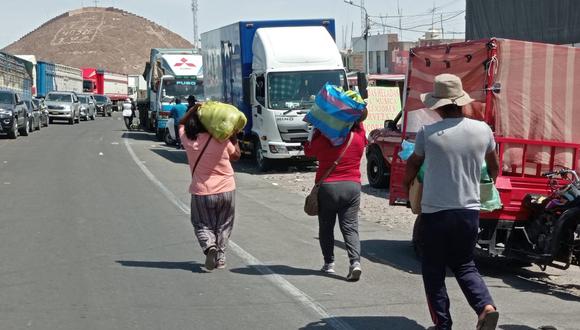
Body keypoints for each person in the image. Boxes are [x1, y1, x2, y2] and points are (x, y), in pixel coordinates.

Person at [403, 74, 500, 330]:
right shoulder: (483, 130)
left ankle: (442, 325)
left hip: (436, 213)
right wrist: (490, 184)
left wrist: (407, 186)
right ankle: (485, 307)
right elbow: (493, 166)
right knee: (465, 264)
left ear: (438, 105)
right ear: (461, 102)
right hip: (469, 211)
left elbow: (413, 163)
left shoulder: (428, 133)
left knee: (434, 271)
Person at [303, 110, 368, 281]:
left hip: (328, 187)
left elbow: (309, 151)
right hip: (352, 186)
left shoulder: (324, 137)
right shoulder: (358, 136)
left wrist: (318, 126)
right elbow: (361, 126)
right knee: (350, 227)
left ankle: (329, 264)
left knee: (326, 227)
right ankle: (355, 263)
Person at [179, 105, 241, 271]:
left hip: (202, 192)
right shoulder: (221, 140)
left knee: (201, 224)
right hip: (227, 190)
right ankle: (220, 258)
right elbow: (236, 155)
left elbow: (180, 123)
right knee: (224, 225)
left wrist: (193, 109)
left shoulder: (188, 140)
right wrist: (233, 134)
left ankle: (209, 247)